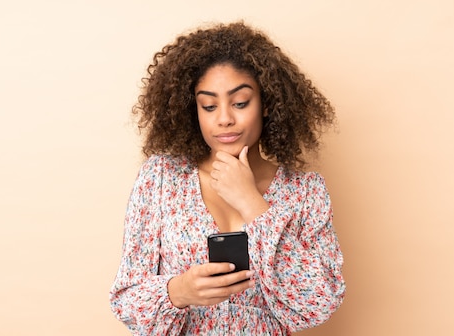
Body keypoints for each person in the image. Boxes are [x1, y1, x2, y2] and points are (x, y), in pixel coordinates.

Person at [109, 20, 345, 335]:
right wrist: (179, 290)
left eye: (240, 103)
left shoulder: (304, 192)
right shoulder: (161, 178)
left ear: (266, 104)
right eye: (208, 106)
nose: (224, 119)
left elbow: (319, 303)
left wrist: (252, 204)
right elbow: (125, 299)